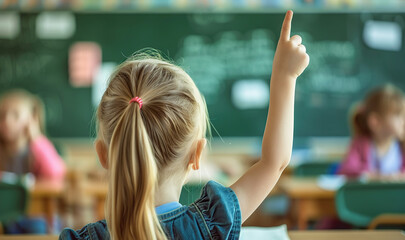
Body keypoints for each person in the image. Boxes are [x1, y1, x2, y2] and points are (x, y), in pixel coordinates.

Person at [60, 10, 309, 240]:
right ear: (196, 154)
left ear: (103, 155)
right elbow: (273, 163)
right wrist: (284, 77)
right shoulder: (213, 223)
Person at [0, 89, 66, 183]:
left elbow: (55, 174)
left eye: (16, 115)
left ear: (32, 119)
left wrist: (36, 138)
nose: (7, 121)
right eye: (1, 115)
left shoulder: (38, 151)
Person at [338, 84, 405, 178]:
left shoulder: (402, 146)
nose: (403, 121)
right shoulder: (360, 144)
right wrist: (375, 177)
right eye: (398, 116)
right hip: (368, 193)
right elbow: (346, 171)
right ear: (375, 122)